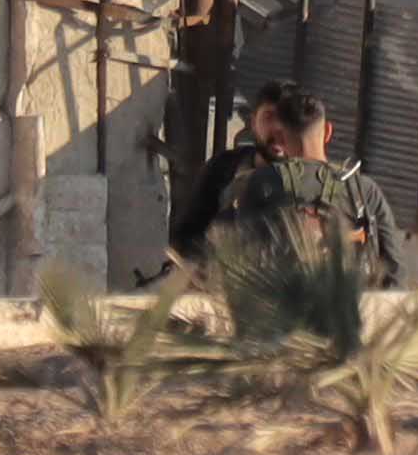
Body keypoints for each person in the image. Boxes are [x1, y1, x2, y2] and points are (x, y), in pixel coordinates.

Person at [170, 77, 399, 295]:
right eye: (270, 117)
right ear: (253, 121)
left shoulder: (356, 189)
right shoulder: (226, 169)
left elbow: (392, 271)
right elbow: (188, 238)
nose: (278, 129)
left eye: (286, 121)